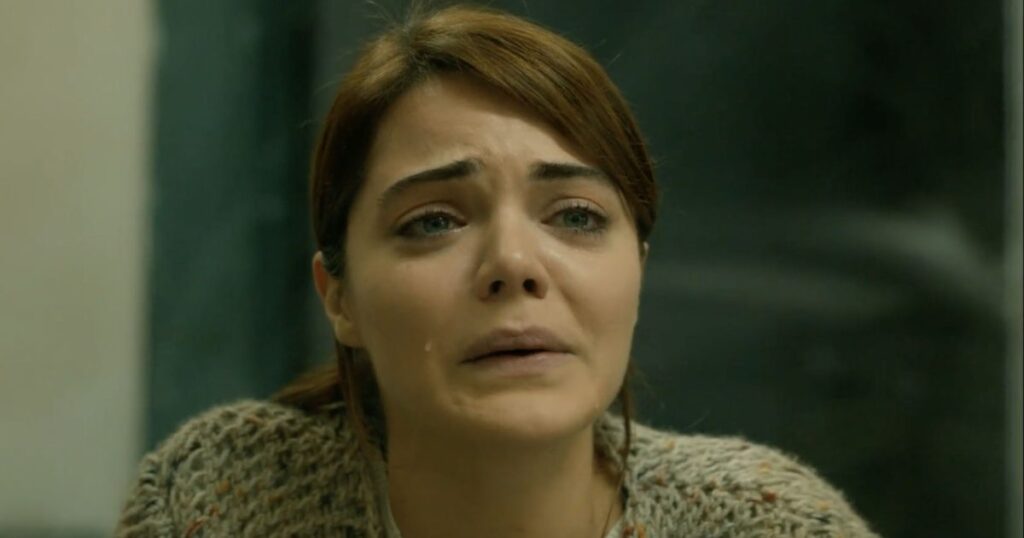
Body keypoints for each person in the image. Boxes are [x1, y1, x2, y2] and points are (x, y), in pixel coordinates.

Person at [116, 4, 877, 537]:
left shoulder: (770, 525)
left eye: (575, 216)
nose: (513, 264)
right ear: (338, 297)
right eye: (433, 222)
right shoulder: (219, 502)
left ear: (637, 273)